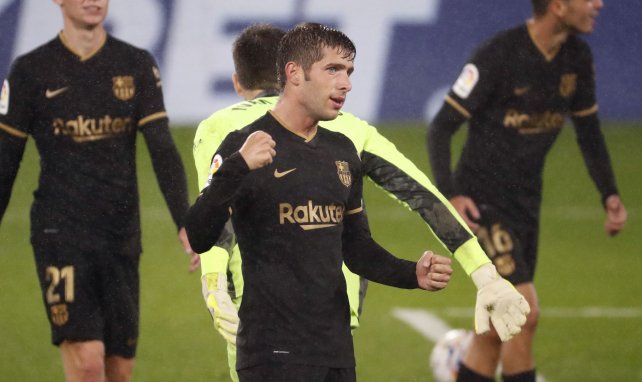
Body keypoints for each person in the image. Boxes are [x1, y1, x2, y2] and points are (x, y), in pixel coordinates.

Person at [187, 23, 527, 382]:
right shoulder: (247, 140)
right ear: (292, 71)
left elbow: (356, 245)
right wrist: (481, 271)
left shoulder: (336, 145)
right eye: (333, 69)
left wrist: (213, 287)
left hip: (322, 343)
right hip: (272, 340)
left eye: (348, 72)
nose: (346, 83)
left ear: (239, 82)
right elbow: (423, 195)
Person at [426, 1, 627, 381]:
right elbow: (441, 127)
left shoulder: (577, 58)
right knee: (524, 312)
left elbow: (589, 131)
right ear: (558, 6)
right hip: (480, 202)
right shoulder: (499, 54)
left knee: (494, 333)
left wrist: (609, 194)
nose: (598, 3)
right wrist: (450, 194)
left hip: (526, 206)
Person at [0, 1, 197, 381]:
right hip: (60, 235)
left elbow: (161, 147)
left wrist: (184, 222)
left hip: (121, 237)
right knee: (88, 366)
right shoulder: (30, 71)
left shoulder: (136, 64)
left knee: (118, 372)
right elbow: (6, 162)